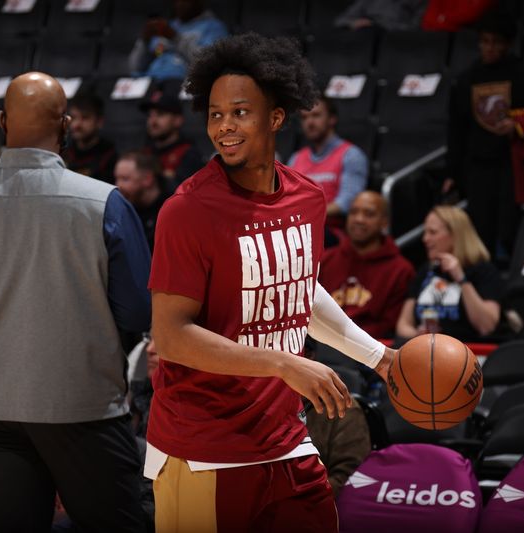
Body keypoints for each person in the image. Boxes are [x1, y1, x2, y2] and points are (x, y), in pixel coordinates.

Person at [147, 32, 396, 532]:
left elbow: (298, 287)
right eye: (215, 114)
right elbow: (171, 336)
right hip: (204, 450)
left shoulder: (307, 198)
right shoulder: (188, 210)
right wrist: (285, 363)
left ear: (276, 117)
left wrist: (378, 356)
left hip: (287, 439)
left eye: (240, 112)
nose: (224, 127)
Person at [0, 72, 152, 532]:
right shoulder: (104, 202)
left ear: (2, 122)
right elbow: (138, 313)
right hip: (78, 406)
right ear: (66, 126)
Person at [446, 8, 524, 260]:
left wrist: (518, 125)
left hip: (513, 164)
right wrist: (452, 172)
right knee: (480, 228)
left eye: (496, 42)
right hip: (478, 164)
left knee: (511, 227)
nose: (490, 48)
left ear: (508, 44)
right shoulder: (467, 79)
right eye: (485, 42)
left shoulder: (523, 76)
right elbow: (457, 129)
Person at [396, 205, 503, 342]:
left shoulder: (483, 271)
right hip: (427, 352)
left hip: (469, 354)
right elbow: (403, 325)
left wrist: (461, 279)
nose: (425, 239)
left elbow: (486, 326)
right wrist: (419, 336)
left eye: (433, 232)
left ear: (455, 235)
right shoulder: (426, 270)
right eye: (425, 232)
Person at [319, 191, 415, 339]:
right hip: (324, 345)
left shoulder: (400, 270)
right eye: (353, 212)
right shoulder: (325, 260)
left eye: (369, 214)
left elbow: (389, 325)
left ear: (384, 222)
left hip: (370, 350)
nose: (359, 219)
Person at [302, 338, 371, 498]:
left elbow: (352, 478)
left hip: (313, 508)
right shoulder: (259, 402)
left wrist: (296, 500)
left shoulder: (343, 407)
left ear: (309, 357)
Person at [288, 95, 369, 227]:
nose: (310, 122)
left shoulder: (351, 155)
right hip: (301, 229)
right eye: (304, 117)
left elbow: (348, 202)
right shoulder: (296, 159)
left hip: (333, 231)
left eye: (316, 115)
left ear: (332, 119)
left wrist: (306, 215)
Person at [127, 0, 228, 80]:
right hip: (151, 82)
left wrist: (175, 38)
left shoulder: (214, 27)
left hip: (181, 85)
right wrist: (144, 41)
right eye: (177, 0)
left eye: (185, 1)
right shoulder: (168, 26)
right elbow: (134, 67)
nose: (180, 4)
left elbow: (208, 65)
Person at [141, 84, 205, 189]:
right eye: (149, 115)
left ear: (177, 120)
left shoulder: (189, 155)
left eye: (160, 114)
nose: (152, 121)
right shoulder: (146, 152)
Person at [115, 151, 168, 251]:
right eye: (117, 179)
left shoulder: (169, 213)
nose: (118, 186)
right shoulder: (123, 210)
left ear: (147, 179)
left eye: (125, 179)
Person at [63, 90, 118, 184]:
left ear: (99, 121)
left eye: (85, 118)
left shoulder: (110, 158)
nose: (76, 125)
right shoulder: (63, 153)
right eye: (74, 117)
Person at [335, 0, 427, 31]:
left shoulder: (416, 2)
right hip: (364, 39)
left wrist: (377, 24)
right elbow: (340, 21)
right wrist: (353, 23)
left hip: (394, 41)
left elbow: (415, 28)